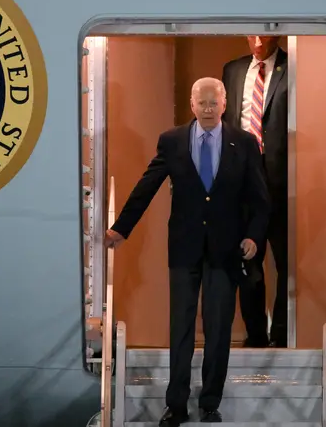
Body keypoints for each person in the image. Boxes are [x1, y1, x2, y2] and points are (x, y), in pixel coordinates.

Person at [105, 78, 269, 426]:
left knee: (218, 327)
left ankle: (210, 402)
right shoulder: (172, 141)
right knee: (180, 326)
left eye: (214, 103)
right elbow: (147, 186)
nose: (208, 109)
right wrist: (121, 227)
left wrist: (254, 236)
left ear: (225, 104)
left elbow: (260, 200)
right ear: (192, 105)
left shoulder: (244, 142)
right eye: (202, 103)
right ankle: (175, 405)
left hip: (227, 251)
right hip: (184, 249)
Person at [221, 35, 289, 348]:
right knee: (248, 260)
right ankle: (257, 335)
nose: (258, 41)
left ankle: (282, 333)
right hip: (243, 179)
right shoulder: (233, 70)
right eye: (251, 34)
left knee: (287, 259)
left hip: (283, 179)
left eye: (264, 33)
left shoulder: (293, 67)